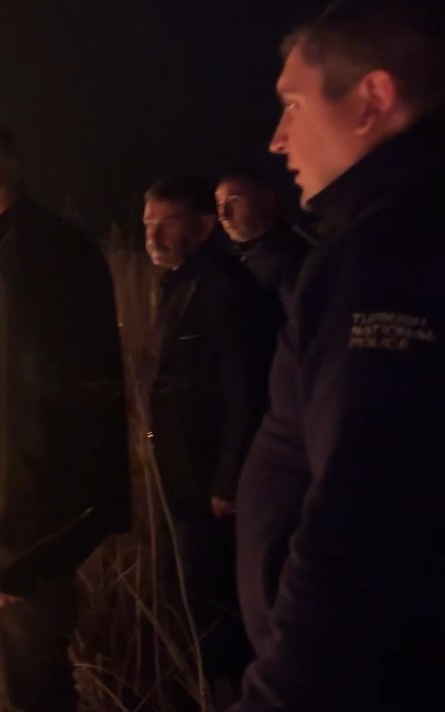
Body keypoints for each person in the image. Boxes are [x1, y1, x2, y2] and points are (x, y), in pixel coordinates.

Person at [233, 2, 445, 709]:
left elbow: (366, 515)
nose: (277, 139)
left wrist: (280, 693)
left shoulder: (386, 255)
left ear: (372, 100)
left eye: (293, 105)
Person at [0, 119, 129, 712]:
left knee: (16, 693)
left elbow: (25, 421)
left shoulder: (22, 265)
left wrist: (9, 558)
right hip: (35, 536)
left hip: (22, 545)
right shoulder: (30, 249)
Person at [140, 175, 271, 709]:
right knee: (184, 594)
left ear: (202, 226)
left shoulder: (223, 287)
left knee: (212, 602)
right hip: (179, 475)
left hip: (207, 482)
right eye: (148, 223)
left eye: (167, 223)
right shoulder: (178, 284)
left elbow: (245, 387)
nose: (153, 235)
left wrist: (228, 477)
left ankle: (226, 694)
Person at [214, 169, 314, 325]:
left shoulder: (291, 257)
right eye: (220, 205)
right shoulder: (226, 255)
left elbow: (301, 326)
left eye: (235, 201)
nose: (223, 215)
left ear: (266, 200)